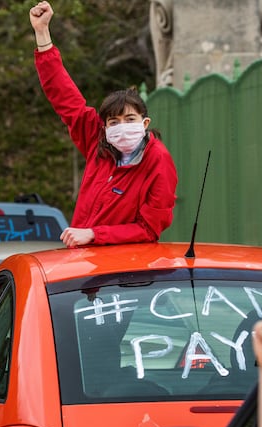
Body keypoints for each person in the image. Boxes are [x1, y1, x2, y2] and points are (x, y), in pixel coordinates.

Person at [29, 1, 178, 248]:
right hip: (79, 261)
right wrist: (42, 33)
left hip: (122, 271)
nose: (122, 126)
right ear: (104, 127)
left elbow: (149, 230)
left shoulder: (158, 160)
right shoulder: (97, 140)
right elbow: (64, 96)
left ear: (145, 122)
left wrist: (94, 234)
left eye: (130, 119)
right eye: (114, 121)